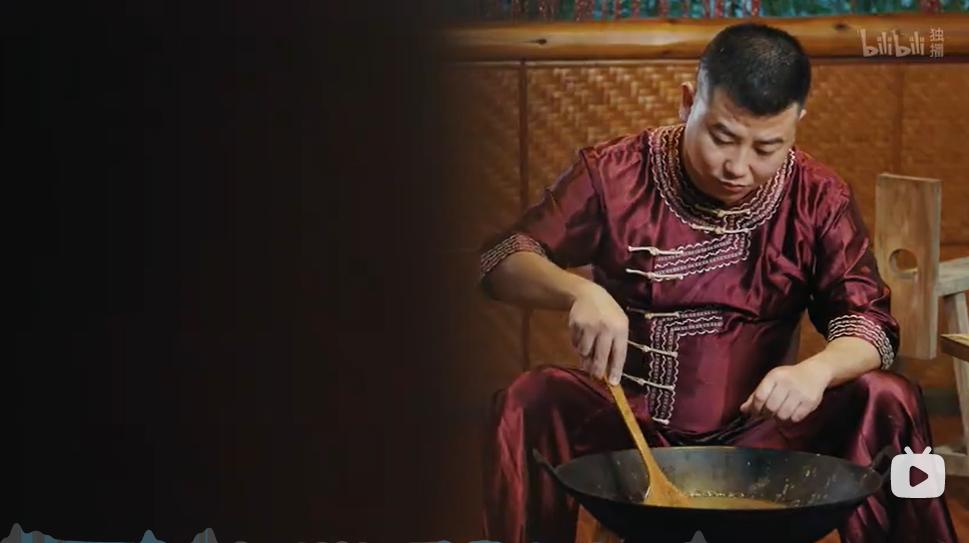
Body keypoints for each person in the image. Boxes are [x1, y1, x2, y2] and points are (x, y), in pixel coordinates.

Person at [478, 23, 957, 543]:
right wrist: (579, 291)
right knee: (529, 398)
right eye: (721, 138)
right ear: (689, 102)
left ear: (796, 124)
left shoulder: (818, 196)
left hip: (764, 439)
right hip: (632, 435)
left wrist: (816, 370)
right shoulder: (614, 173)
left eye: (766, 147)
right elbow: (500, 261)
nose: (738, 167)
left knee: (887, 396)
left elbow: (872, 327)